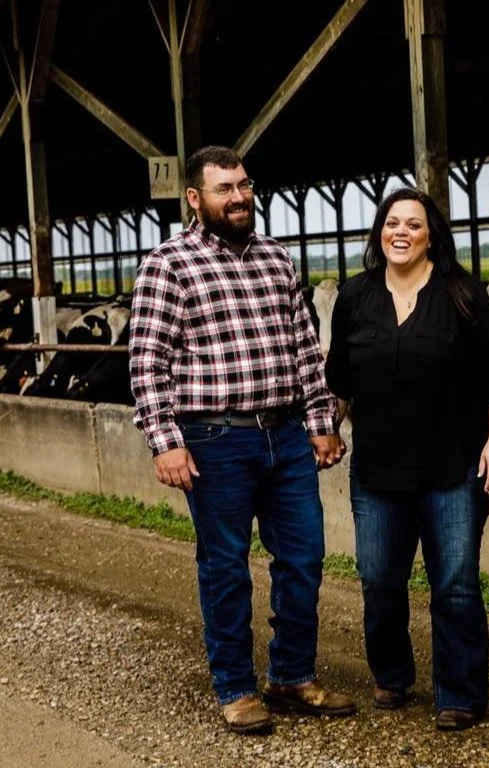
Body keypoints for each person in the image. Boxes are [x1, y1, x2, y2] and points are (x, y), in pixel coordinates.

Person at [129, 146, 355, 736]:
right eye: (225, 189)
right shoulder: (168, 264)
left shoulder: (277, 259)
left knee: (303, 559)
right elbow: (148, 360)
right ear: (196, 199)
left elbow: (306, 349)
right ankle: (235, 686)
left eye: (245, 185)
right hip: (215, 441)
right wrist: (165, 441)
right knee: (226, 566)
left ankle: (291, 676)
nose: (239, 197)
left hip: (285, 435)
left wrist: (322, 421)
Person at [325, 187, 489, 731]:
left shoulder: (461, 294)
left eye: (413, 223)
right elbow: (339, 379)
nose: (401, 232)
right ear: (379, 233)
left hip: (453, 468)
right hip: (378, 472)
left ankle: (460, 693)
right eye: (392, 223)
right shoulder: (355, 297)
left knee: (455, 583)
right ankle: (392, 674)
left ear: (431, 233)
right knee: (379, 581)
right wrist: (327, 431)